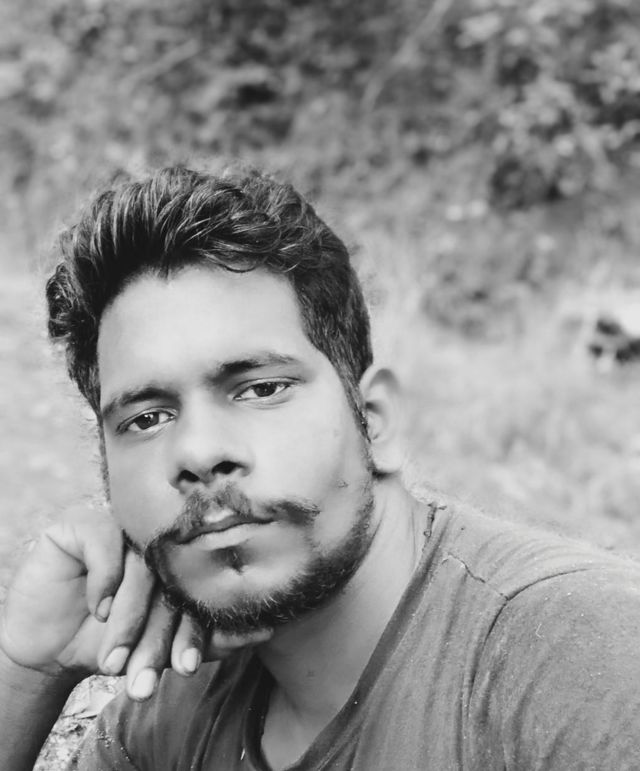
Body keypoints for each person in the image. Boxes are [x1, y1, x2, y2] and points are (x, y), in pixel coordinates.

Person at [2, 165, 640, 771]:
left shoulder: (578, 658)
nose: (198, 452)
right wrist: (29, 668)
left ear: (375, 419)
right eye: (147, 419)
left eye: (261, 388)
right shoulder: (171, 712)